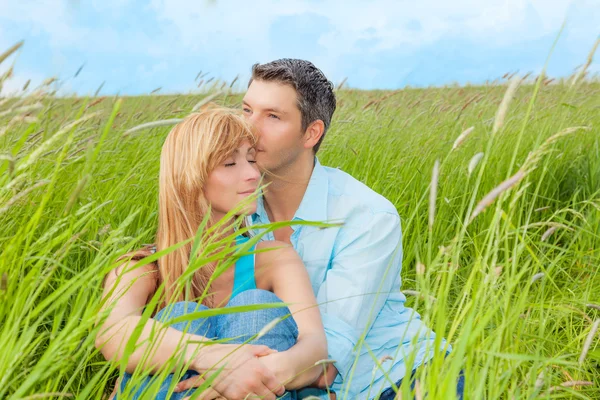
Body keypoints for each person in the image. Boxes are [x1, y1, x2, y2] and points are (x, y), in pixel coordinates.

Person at [236, 59, 463, 399]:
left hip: (394, 377)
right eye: (246, 110)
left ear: (311, 133)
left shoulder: (367, 215)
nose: (249, 130)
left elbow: (325, 361)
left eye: (272, 116)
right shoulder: (232, 207)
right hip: (288, 376)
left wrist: (231, 377)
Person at [95, 108, 328, 400]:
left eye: (252, 160)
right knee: (182, 315)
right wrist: (213, 358)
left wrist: (250, 375)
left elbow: (315, 349)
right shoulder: (140, 268)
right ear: (189, 178)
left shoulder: (275, 259)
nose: (253, 174)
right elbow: (113, 332)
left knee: (257, 307)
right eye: (230, 163)